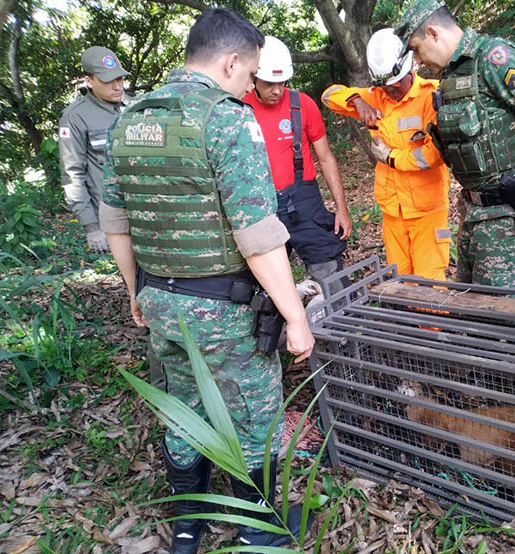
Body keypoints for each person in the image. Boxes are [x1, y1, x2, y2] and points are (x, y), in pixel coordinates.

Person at [99, 9, 315, 553]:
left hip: (160, 300)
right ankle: (260, 529)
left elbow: (116, 223)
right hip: (223, 308)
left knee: (185, 409)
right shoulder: (225, 119)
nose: (251, 83)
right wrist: (295, 316)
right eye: (251, 72)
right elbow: (258, 235)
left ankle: (188, 530)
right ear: (231, 60)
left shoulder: (131, 119)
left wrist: (134, 292)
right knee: (255, 412)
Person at [394, 0, 515, 288]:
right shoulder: (451, 75)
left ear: (434, 33)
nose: (418, 62)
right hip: (472, 211)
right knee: (474, 301)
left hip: (504, 211)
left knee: (503, 314)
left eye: (417, 49)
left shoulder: (493, 58)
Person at [322, 28, 451, 280]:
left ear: (410, 68)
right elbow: (328, 96)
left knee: (430, 283)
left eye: (396, 84)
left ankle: (432, 322)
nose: (391, 91)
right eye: (385, 86)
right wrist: (355, 101)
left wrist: (392, 158)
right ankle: (406, 321)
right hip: (393, 211)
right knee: (401, 279)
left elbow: (434, 154)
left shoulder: (432, 96)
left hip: (427, 210)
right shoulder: (376, 97)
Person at [242, 36, 352, 294]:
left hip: (305, 204)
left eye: (282, 83)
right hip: (263, 207)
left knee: (330, 273)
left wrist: (342, 209)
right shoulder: (241, 109)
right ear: (254, 78)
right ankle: (278, 331)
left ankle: (344, 328)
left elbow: (326, 158)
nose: (277, 90)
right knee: (264, 283)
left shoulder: (302, 105)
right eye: (269, 83)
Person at [59, 46, 133, 253]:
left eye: (120, 79)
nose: (118, 86)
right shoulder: (75, 116)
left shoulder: (133, 107)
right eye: (108, 81)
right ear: (89, 81)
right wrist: (91, 226)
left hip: (145, 212)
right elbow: (72, 174)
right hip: (112, 217)